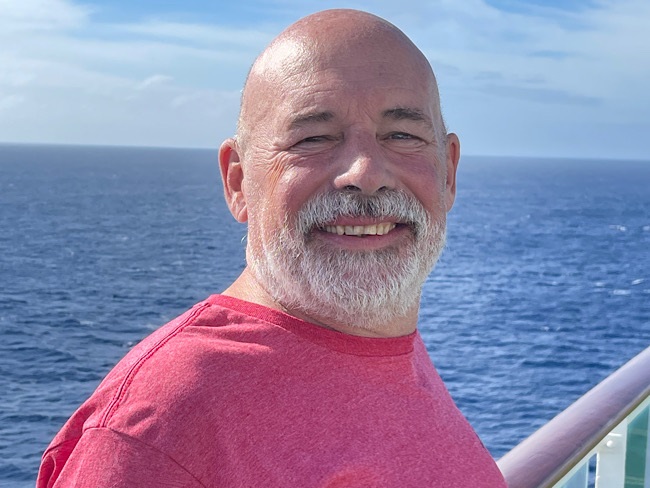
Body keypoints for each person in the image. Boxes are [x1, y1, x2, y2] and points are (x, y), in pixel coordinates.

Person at [38, 9, 507, 487]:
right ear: (238, 181)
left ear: (448, 172)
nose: (365, 172)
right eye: (314, 138)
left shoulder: (386, 347)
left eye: (402, 135)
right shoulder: (161, 430)